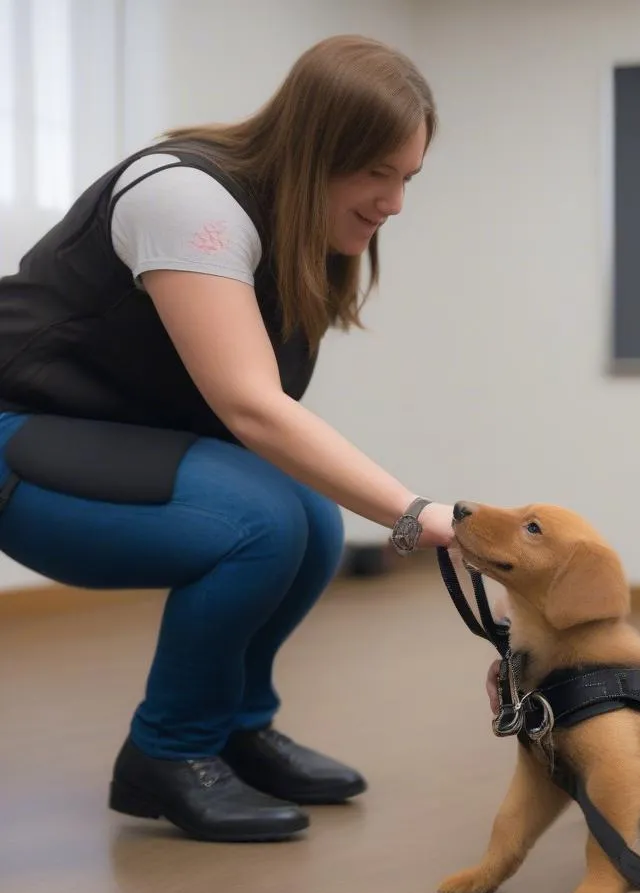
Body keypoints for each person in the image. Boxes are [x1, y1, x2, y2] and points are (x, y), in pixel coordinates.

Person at [0, 35, 471, 844]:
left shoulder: (302, 231)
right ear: (315, 151)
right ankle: (167, 751)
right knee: (263, 521)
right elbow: (253, 410)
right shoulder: (186, 199)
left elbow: (250, 422)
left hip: (96, 438)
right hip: (16, 434)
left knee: (312, 519)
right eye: (376, 174)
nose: (394, 203)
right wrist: (413, 511)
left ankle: (233, 729)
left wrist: (383, 507)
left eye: (407, 179)